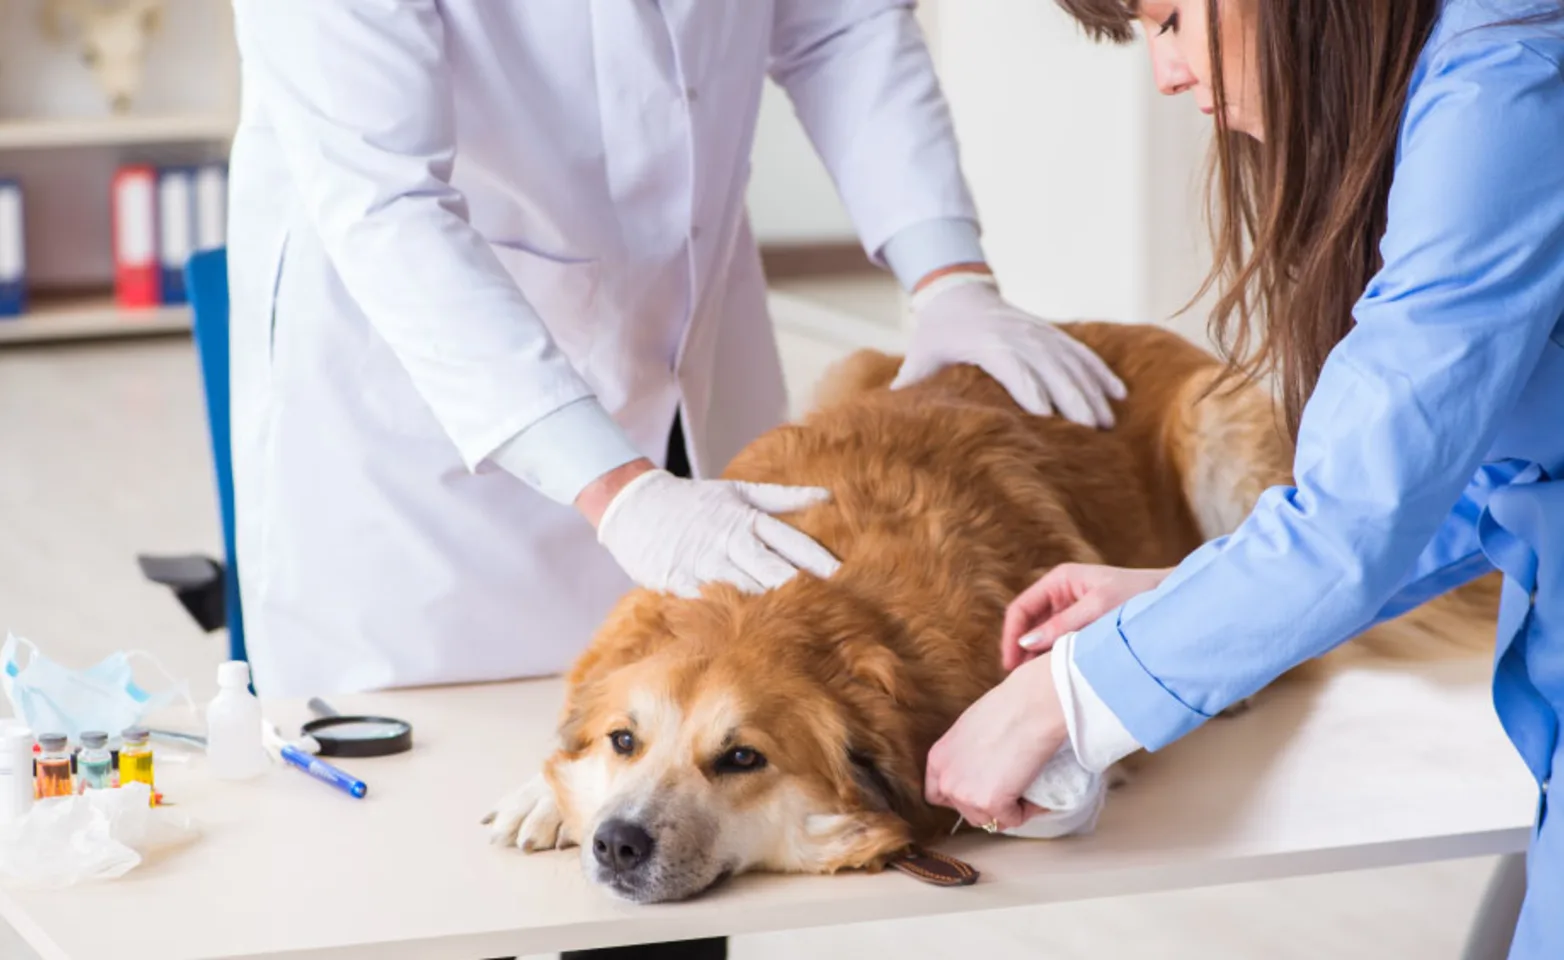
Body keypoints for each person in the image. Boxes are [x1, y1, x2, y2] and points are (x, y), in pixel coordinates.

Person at [225, 4, 1124, 959]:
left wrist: (946, 272)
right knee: (430, 880)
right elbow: (383, 200)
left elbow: (841, 22)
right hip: (426, 437)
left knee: (674, 899)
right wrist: (617, 488)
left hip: (685, 350)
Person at [924, 1, 1564, 957]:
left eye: (1171, 19)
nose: (1167, 76)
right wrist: (1186, 591)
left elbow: (1358, 514)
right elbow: (1474, 468)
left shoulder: (1505, 96)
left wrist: (1061, 697)